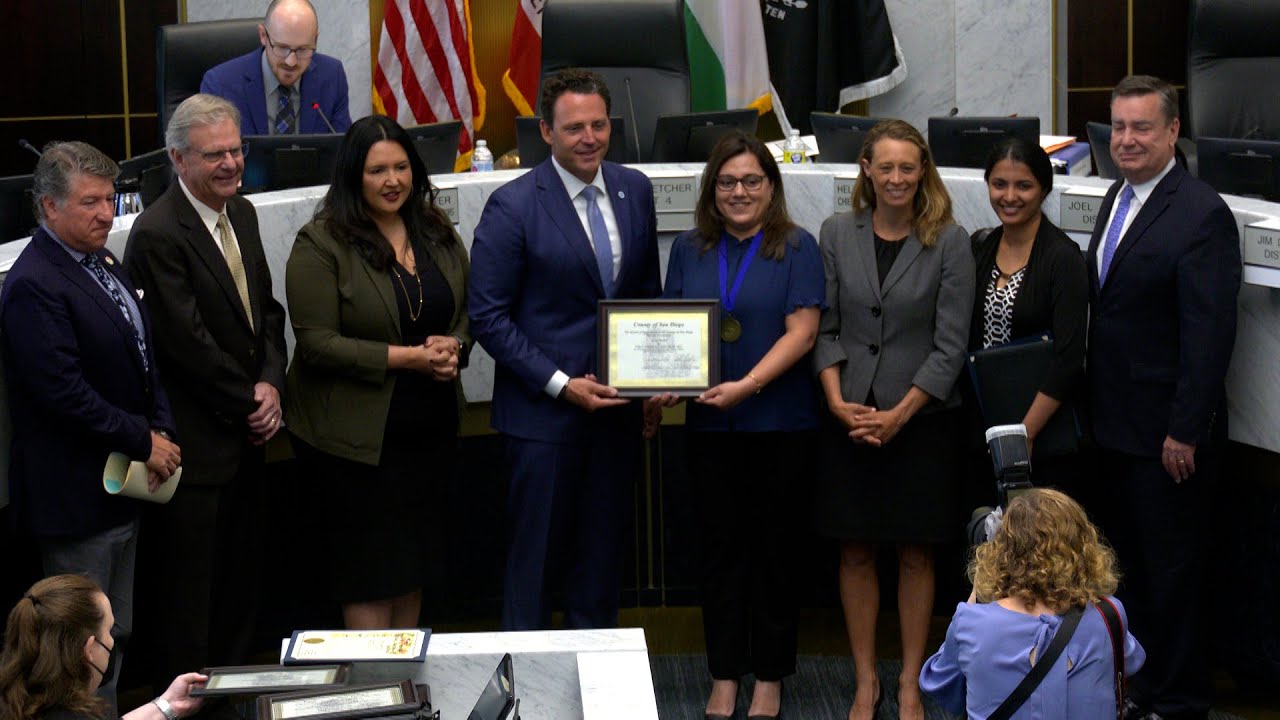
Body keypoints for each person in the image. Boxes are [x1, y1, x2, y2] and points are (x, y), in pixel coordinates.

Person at [468, 68, 661, 631]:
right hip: (542, 424)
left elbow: (643, 296)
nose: (589, 138)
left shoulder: (634, 189)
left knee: (600, 570)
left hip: (616, 418)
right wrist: (560, 383)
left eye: (599, 124)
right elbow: (488, 317)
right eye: (574, 127)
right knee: (534, 573)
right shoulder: (513, 205)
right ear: (546, 133)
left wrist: (648, 383)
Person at [0, 141, 180, 720]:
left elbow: (142, 357)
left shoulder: (101, 260)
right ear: (48, 207)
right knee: (77, 652)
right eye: (90, 203)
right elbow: (63, 395)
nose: (107, 213)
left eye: (110, 199)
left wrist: (161, 430)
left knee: (114, 634)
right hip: (76, 498)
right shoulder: (32, 283)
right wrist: (143, 439)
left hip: (124, 488)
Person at [1084, 75, 1241, 720]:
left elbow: (1209, 334)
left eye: (1141, 127)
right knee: (1131, 575)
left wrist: (1186, 428)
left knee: (1174, 579)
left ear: (1173, 132)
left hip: (1168, 439)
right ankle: (1138, 690)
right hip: (1113, 429)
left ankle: (1178, 703)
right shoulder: (1114, 200)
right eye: (1118, 127)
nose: (1126, 139)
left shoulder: (1201, 212)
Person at [655, 130, 825, 720]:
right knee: (719, 554)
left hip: (780, 424)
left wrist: (747, 386)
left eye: (752, 180)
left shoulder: (796, 247)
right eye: (727, 182)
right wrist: (664, 385)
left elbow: (802, 333)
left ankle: (771, 677)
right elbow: (675, 333)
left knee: (776, 554)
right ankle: (725, 674)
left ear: (771, 188)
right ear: (712, 190)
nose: (739, 191)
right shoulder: (689, 248)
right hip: (708, 430)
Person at [124, 94, 288, 690]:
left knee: (242, 595)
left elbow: (266, 312)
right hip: (196, 455)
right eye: (215, 154)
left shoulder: (240, 213)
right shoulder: (157, 234)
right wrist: (251, 402)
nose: (231, 164)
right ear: (177, 158)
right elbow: (185, 345)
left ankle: (237, 699)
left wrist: (271, 382)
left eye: (236, 150)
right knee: (191, 609)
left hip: (248, 445)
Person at [813, 119, 975, 720]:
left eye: (909, 167)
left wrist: (901, 414)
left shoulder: (949, 240)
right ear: (866, 170)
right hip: (848, 416)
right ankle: (864, 680)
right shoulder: (835, 232)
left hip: (923, 421)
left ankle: (909, 680)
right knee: (854, 551)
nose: (898, 178)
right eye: (887, 167)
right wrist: (836, 401)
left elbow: (950, 345)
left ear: (923, 172)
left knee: (916, 554)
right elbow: (824, 327)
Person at [283, 114, 470, 629]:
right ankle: (375, 696)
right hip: (354, 446)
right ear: (352, 177)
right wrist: (409, 358)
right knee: (370, 573)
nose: (393, 181)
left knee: (414, 567)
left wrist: (455, 343)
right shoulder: (320, 242)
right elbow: (318, 344)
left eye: (402, 167)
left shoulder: (433, 227)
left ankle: (404, 689)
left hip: (429, 432)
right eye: (377, 170)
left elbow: (466, 309)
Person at [919, 489, 1147, 718]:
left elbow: (938, 684)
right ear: (1084, 549)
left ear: (1002, 553)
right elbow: (1128, 662)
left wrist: (974, 599)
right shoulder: (1109, 615)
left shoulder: (971, 622)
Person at [966, 138, 1087, 492]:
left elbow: (1069, 360)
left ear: (1044, 189)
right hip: (984, 429)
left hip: (1042, 433)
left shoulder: (1063, 258)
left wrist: (1023, 435)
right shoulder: (980, 247)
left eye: (1024, 186)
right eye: (999, 184)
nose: (1009, 196)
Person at [0, 575, 206, 720]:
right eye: (108, 631)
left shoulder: (16, 700)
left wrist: (168, 705)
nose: (111, 641)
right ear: (90, 649)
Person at [200, 0, 352, 136]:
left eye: (302, 50)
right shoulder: (220, 85)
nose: (291, 62)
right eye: (282, 48)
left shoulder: (332, 75)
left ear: (316, 40)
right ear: (263, 36)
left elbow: (344, 153)